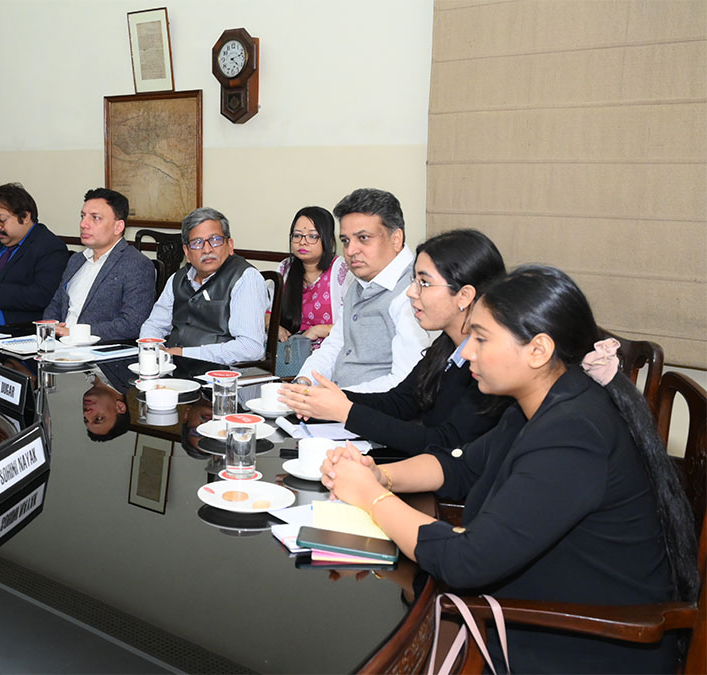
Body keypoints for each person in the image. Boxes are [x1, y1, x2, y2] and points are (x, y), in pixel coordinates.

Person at [321, 266, 699, 673]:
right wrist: (382, 477)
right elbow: (461, 466)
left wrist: (371, 497)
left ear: (538, 350)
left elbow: (466, 561)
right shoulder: (539, 403)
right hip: (539, 612)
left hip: (581, 647)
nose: (467, 352)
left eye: (481, 338)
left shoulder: (574, 433)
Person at [279, 229, 509, 454]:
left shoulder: (488, 366)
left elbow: (445, 443)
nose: (411, 292)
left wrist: (346, 411)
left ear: (464, 295)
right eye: (413, 281)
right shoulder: (446, 345)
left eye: (424, 283)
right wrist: (332, 399)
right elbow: (400, 402)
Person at [296, 189, 430, 392]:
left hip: (374, 407)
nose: (350, 251)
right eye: (345, 241)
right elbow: (335, 345)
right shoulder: (360, 280)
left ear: (396, 239)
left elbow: (404, 383)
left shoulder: (415, 290)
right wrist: (304, 382)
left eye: (363, 238)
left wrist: (336, 398)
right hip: (338, 402)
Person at [138, 207, 267, 365]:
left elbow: (250, 348)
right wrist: (153, 349)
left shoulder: (246, 278)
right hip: (172, 368)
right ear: (187, 252)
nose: (207, 249)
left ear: (230, 245)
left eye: (215, 240)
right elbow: (154, 325)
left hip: (222, 373)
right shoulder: (177, 279)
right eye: (197, 243)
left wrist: (184, 354)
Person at [42, 188, 154, 341]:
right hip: (58, 344)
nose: (83, 224)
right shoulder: (76, 260)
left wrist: (74, 333)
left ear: (118, 227)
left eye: (95, 218)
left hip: (98, 349)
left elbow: (132, 324)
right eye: (83, 216)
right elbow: (56, 304)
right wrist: (51, 327)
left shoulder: (137, 265)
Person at [0, 183, 67, 326]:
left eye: (2, 220)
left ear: (25, 217)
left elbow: (44, 296)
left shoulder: (49, 247)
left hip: (6, 328)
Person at [275, 206, 348, 349]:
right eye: (297, 235)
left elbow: (355, 324)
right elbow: (267, 311)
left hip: (330, 352)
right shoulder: (285, 268)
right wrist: (273, 327)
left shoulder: (341, 270)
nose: (303, 242)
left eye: (312, 236)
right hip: (290, 354)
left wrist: (320, 330)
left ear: (328, 240)